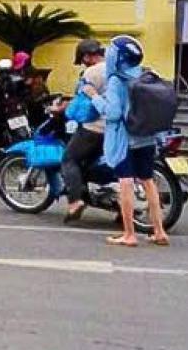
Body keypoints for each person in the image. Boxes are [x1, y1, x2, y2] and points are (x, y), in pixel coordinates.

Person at [92, 35, 170, 247]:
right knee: (148, 181)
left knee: (125, 182)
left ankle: (129, 233)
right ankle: (159, 231)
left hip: (124, 140)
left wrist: (95, 98)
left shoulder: (117, 80)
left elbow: (114, 113)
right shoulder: (146, 73)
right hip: (147, 137)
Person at [62, 38, 106, 222]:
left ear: (88, 56)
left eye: (83, 59)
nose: (83, 63)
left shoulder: (92, 72)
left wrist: (63, 109)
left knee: (69, 159)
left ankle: (75, 201)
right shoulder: (117, 68)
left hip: (95, 127)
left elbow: (82, 102)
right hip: (115, 128)